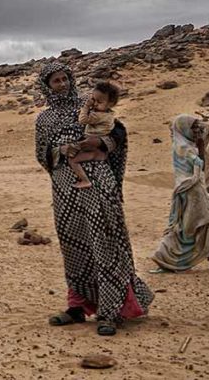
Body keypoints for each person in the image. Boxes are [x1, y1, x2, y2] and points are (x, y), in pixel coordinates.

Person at [34, 62, 153, 336]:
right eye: (56, 81)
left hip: (99, 181)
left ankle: (110, 312)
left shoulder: (90, 105)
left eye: (65, 78)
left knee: (106, 242)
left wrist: (98, 145)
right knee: (74, 244)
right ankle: (77, 307)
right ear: (47, 86)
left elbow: (117, 135)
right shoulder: (44, 120)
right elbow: (42, 154)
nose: (62, 84)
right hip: (66, 187)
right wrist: (63, 149)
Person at [151, 114, 209, 273]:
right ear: (184, 129)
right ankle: (165, 257)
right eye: (193, 127)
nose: (196, 130)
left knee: (205, 223)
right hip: (191, 191)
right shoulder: (184, 147)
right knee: (191, 227)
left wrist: (200, 146)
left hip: (193, 190)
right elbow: (199, 165)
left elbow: (200, 168)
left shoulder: (185, 144)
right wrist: (199, 150)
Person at [65, 81, 121, 189]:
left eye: (99, 102)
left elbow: (82, 120)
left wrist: (86, 106)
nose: (95, 104)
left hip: (93, 147)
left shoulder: (99, 115)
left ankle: (85, 180)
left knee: (72, 159)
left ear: (111, 104)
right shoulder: (109, 113)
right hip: (96, 145)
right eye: (94, 100)